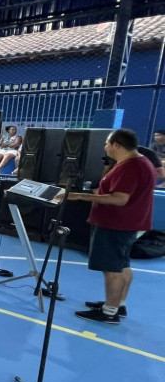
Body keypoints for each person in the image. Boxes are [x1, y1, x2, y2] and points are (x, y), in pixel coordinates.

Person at [67, 129, 157, 324]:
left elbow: (120, 199)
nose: (105, 147)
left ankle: (109, 312)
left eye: (107, 143)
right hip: (127, 222)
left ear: (116, 145)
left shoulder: (131, 166)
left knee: (111, 268)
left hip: (116, 223)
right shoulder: (140, 162)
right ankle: (117, 304)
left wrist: (81, 196)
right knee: (122, 264)